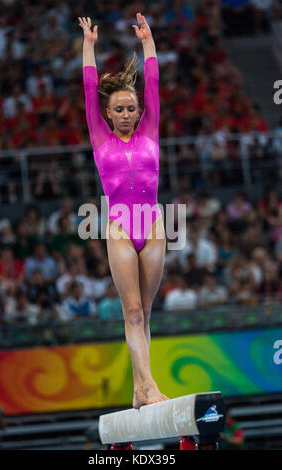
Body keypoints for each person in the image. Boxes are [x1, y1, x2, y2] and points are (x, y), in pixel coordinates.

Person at [79, 13, 168, 408]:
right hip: (118, 227)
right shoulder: (100, 139)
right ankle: (149, 389)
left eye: (132, 108)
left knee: (145, 313)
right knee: (130, 310)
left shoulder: (150, 129)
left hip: (152, 226)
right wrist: (88, 46)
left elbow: (153, 83)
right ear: (108, 114)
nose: (129, 114)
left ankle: (138, 389)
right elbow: (87, 89)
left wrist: (148, 43)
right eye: (120, 110)